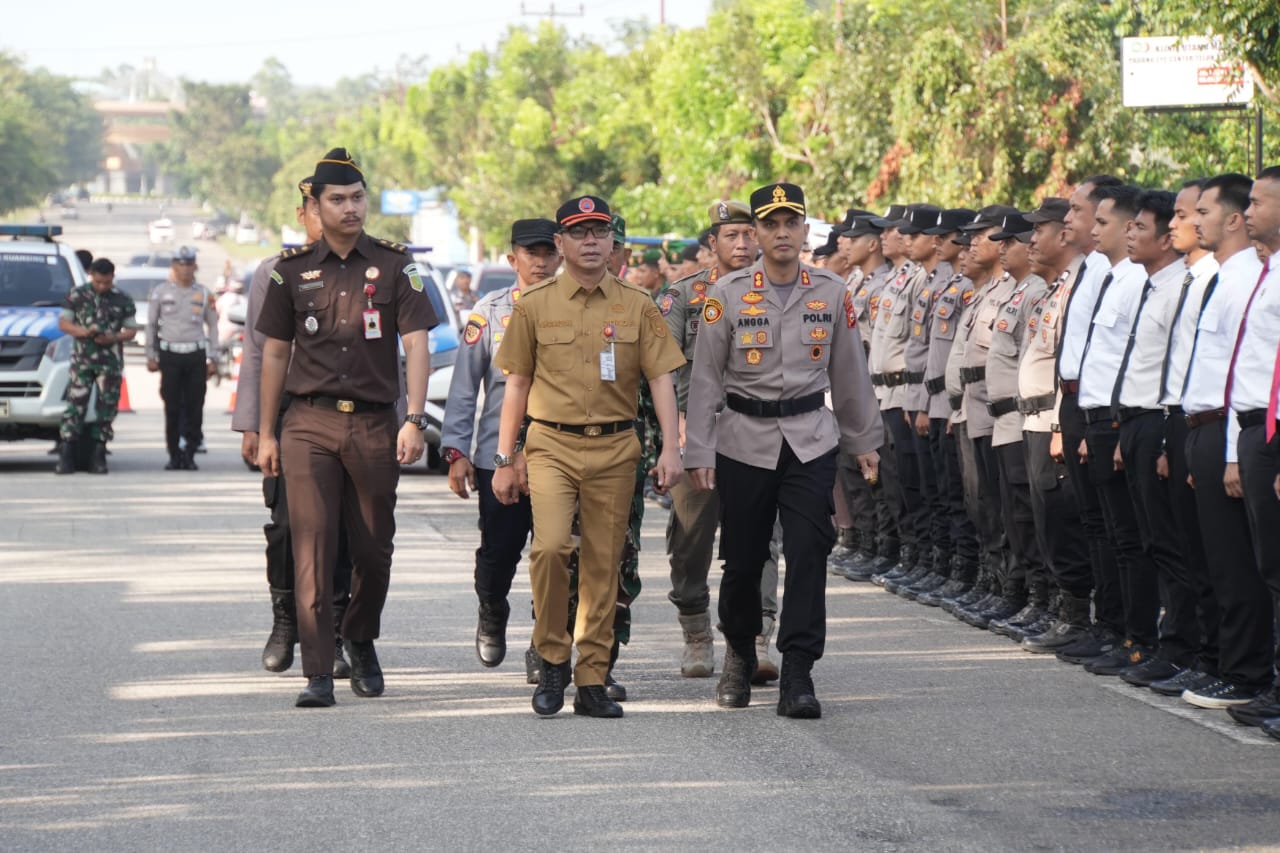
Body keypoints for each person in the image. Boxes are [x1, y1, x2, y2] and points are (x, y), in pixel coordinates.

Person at [684, 182, 882, 718]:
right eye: (769, 225)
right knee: (744, 560)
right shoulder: (724, 294)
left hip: (810, 439)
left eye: (790, 223)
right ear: (757, 234)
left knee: (809, 551)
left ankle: (798, 668)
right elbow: (704, 380)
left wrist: (864, 441)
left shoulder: (831, 291)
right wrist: (698, 452)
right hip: (743, 441)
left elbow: (849, 373)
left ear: (803, 229)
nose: (781, 233)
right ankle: (740, 652)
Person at [255, 147, 438, 708]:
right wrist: (266, 433)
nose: (351, 207)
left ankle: (360, 636)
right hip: (307, 424)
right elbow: (274, 357)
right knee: (311, 545)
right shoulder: (289, 273)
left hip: (375, 425)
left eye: (358, 197)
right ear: (314, 204)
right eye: (338, 199)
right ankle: (317, 670)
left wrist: (413, 418)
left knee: (374, 547)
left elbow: (416, 343)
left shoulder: (395, 266)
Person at [491, 194, 685, 719]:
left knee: (603, 562)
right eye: (579, 233)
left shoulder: (636, 304)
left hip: (617, 447)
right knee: (551, 548)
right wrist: (506, 457)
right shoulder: (533, 305)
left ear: (611, 241)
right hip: (550, 444)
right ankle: (552, 656)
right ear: (561, 244)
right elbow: (517, 384)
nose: (591, 241)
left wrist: (671, 446)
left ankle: (592, 676)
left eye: (600, 231)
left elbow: (661, 378)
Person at [233, 175, 355, 678]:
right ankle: (286, 622)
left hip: (353, 416)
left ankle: (338, 634)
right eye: (320, 207)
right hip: (289, 417)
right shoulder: (275, 273)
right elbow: (259, 353)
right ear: (306, 214)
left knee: (347, 531)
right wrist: (256, 429)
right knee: (286, 528)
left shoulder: (370, 269)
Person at [659, 199, 780, 682]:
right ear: (713, 244)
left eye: (750, 234)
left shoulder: (781, 291)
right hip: (698, 432)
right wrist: (674, 431)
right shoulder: (684, 296)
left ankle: (757, 636)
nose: (744, 244)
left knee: (762, 538)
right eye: (732, 236)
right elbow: (662, 370)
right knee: (690, 540)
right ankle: (696, 634)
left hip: (757, 432)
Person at [440, 218, 559, 669]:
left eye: (549, 252)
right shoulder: (488, 313)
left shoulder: (574, 307)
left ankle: (543, 644)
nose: (542, 262)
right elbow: (465, 388)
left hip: (558, 452)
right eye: (533, 253)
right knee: (500, 551)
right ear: (513, 259)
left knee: (555, 554)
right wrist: (456, 451)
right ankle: (492, 610)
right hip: (499, 454)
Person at [55, 257, 137, 475]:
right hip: (82, 362)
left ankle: (98, 455)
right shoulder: (78, 295)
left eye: (107, 282)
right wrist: (84, 333)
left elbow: (131, 330)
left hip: (109, 364)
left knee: (107, 408)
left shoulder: (122, 299)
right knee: (76, 406)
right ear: (91, 275)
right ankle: (66, 454)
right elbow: (63, 323)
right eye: (98, 281)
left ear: (112, 278)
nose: (102, 286)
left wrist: (113, 337)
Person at [146, 246, 218, 471]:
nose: (185, 269)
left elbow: (213, 326)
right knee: (172, 405)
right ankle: (174, 453)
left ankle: (190, 452)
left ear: (195, 266)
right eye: (181, 264)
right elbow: (151, 325)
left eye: (189, 264)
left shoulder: (204, 293)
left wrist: (213, 357)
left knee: (196, 405)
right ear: (174, 267)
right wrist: (151, 354)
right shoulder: (160, 292)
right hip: (170, 355)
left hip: (195, 354)